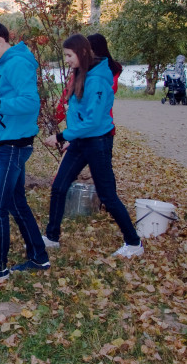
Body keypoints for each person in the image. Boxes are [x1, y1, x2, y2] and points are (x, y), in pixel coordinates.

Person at [41, 35, 143, 257]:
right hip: (81, 141)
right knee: (59, 187)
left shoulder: (96, 80)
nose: (66, 60)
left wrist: (62, 136)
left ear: (83, 53)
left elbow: (94, 120)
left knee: (107, 195)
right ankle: (52, 237)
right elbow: (79, 114)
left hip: (97, 142)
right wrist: (72, 139)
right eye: (65, 55)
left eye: (69, 55)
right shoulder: (82, 73)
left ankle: (133, 243)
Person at [0, 22, 50, 283]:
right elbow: (8, 99)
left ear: (2, 41)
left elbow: (30, 102)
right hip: (8, 141)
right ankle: (39, 256)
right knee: (16, 203)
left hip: (14, 146)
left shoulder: (16, 63)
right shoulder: (5, 62)